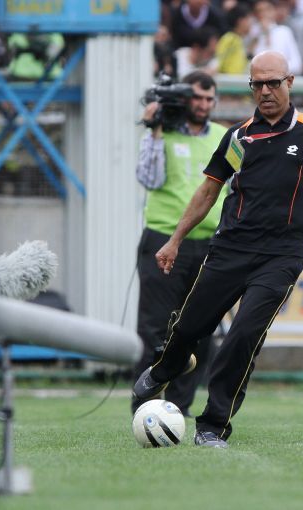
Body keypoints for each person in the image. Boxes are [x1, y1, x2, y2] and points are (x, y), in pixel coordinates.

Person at [133, 51, 303, 448]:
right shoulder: (239, 137)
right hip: (230, 248)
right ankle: (165, 368)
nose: (265, 91)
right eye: (257, 84)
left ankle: (212, 426)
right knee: (190, 327)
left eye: (272, 83)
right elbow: (209, 190)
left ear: (289, 83)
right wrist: (174, 240)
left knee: (243, 335)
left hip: (282, 255)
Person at [132, 71, 228, 417]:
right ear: (185, 98)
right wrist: (155, 130)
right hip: (164, 240)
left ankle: (178, 409)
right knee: (155, 328)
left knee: (200, 330)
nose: (203, 105)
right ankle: (145, 408)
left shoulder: (223, 136)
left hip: (210, 244)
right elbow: (149, 178)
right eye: (197, 97)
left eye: (209, 99)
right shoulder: (163, 133)